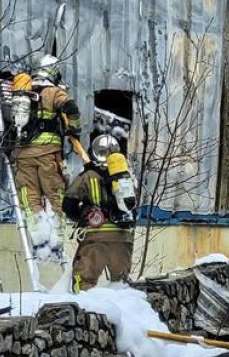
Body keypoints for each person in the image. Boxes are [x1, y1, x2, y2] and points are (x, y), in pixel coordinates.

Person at [10, 55, 82, 260]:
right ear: (54, 72)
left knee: (29, 193)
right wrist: (75, 129)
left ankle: (37, 234)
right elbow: (71, 108)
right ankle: (56, 237)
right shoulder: (53, 92)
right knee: (54, 194)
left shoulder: (22, 92)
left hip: (22, 154)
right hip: (48, 154)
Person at [63, 134, 138, 291]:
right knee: (122, 286)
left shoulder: (88, 176)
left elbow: (68, 205)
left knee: (83, 282)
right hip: (123, 238)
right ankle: (123, 315)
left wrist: (82, 216)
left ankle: (84, 312)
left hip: (95, 238)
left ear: (94, 152)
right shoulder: (127, 177)